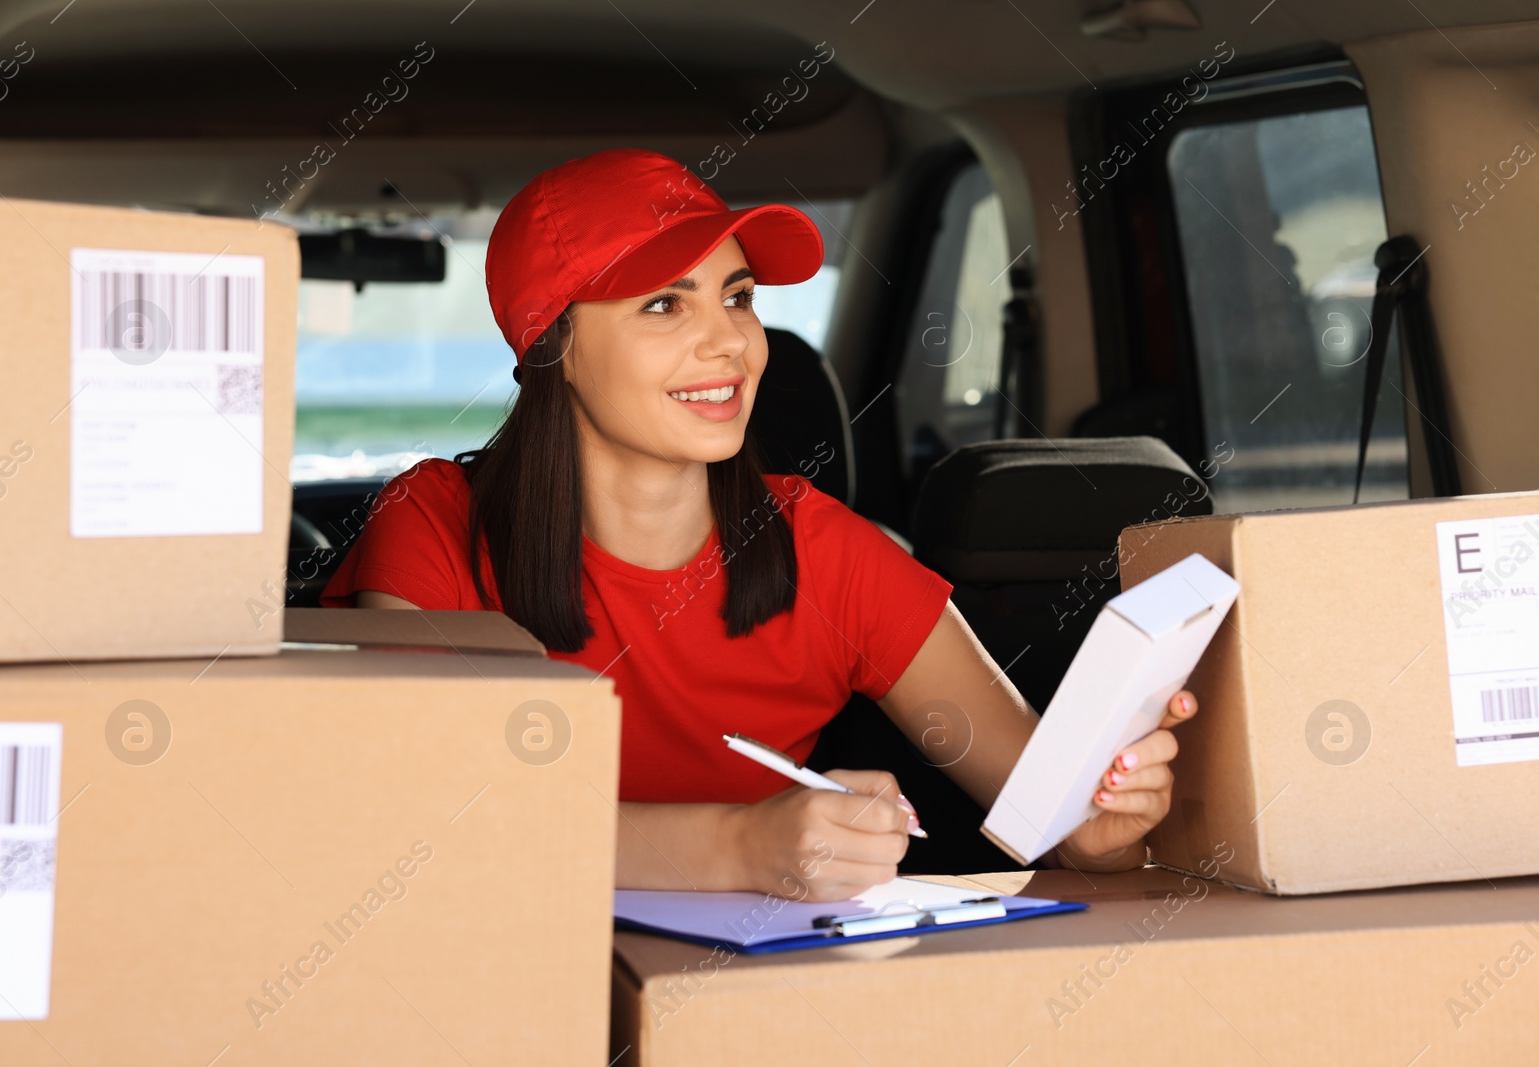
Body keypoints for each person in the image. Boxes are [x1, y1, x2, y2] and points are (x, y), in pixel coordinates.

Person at [320, 147, 1198, 901]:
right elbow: (420, 821)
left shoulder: (823, 550)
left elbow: (1054, 814)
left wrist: (1103, 821)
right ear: (554, 345)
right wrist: (743, 847)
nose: (732, 343)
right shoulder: (432, 527)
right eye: (666, 304)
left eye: (737, 297)